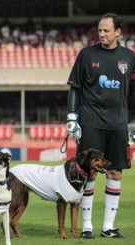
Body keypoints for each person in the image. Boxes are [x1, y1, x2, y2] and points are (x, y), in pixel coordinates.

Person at [66, 13, 135, 239]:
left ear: (118, 32)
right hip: (91, 121)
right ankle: (87, 226)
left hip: (118, 124)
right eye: (99, 30)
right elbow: (75, 87)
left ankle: (108, 227)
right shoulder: (86, 54)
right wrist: (72, 116)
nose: (102, 34)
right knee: (90, 173)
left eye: (106, 30)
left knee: (115, 173)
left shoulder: (129, 57)